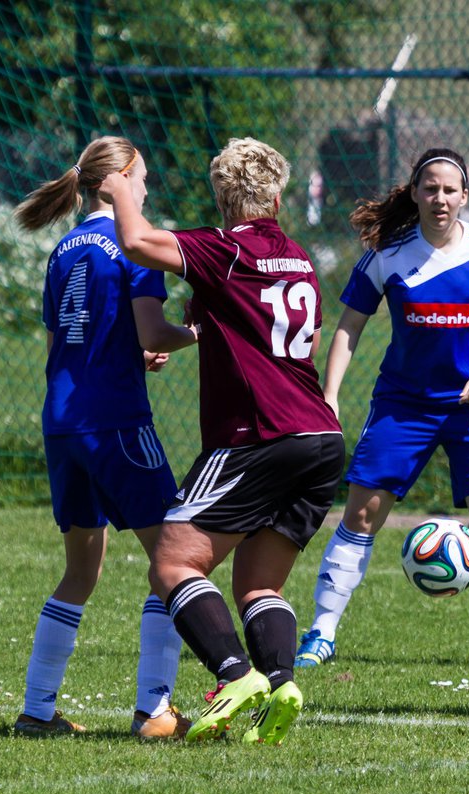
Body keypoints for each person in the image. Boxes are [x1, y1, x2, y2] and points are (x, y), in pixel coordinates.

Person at [99, 137, 344, 745]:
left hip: (258, 435)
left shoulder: (222, 249)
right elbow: (277, 334)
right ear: (279, 195)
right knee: (259, 586)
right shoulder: (298, 256)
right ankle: (281, 681)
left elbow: (137, 243)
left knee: (174, 562)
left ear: (221, 196)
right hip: (321, 436)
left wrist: (119, 187)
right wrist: (189, 328)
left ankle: (236, 676)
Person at [294, 148, 469, 670]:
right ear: (415, 193)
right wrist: (329, 395)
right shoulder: (388, 252)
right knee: (362, 511)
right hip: (404, 404)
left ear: (465, 196)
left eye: (449, 190)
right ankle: (321, 634)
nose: (439, 198)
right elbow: (350, 325)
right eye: (430, 188)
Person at [12, 136, 201, 739]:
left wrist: (128, 352)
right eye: (142, 176)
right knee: (176, 559)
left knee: (80, 572)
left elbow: (64, 344)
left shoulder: (64, 246)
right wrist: (195, 331)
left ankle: (36, 712)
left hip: (63, 421)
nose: (146, 187)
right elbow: (154, 326)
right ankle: (154, 709)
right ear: (118, 178)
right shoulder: (133, 240)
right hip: (115, 421)